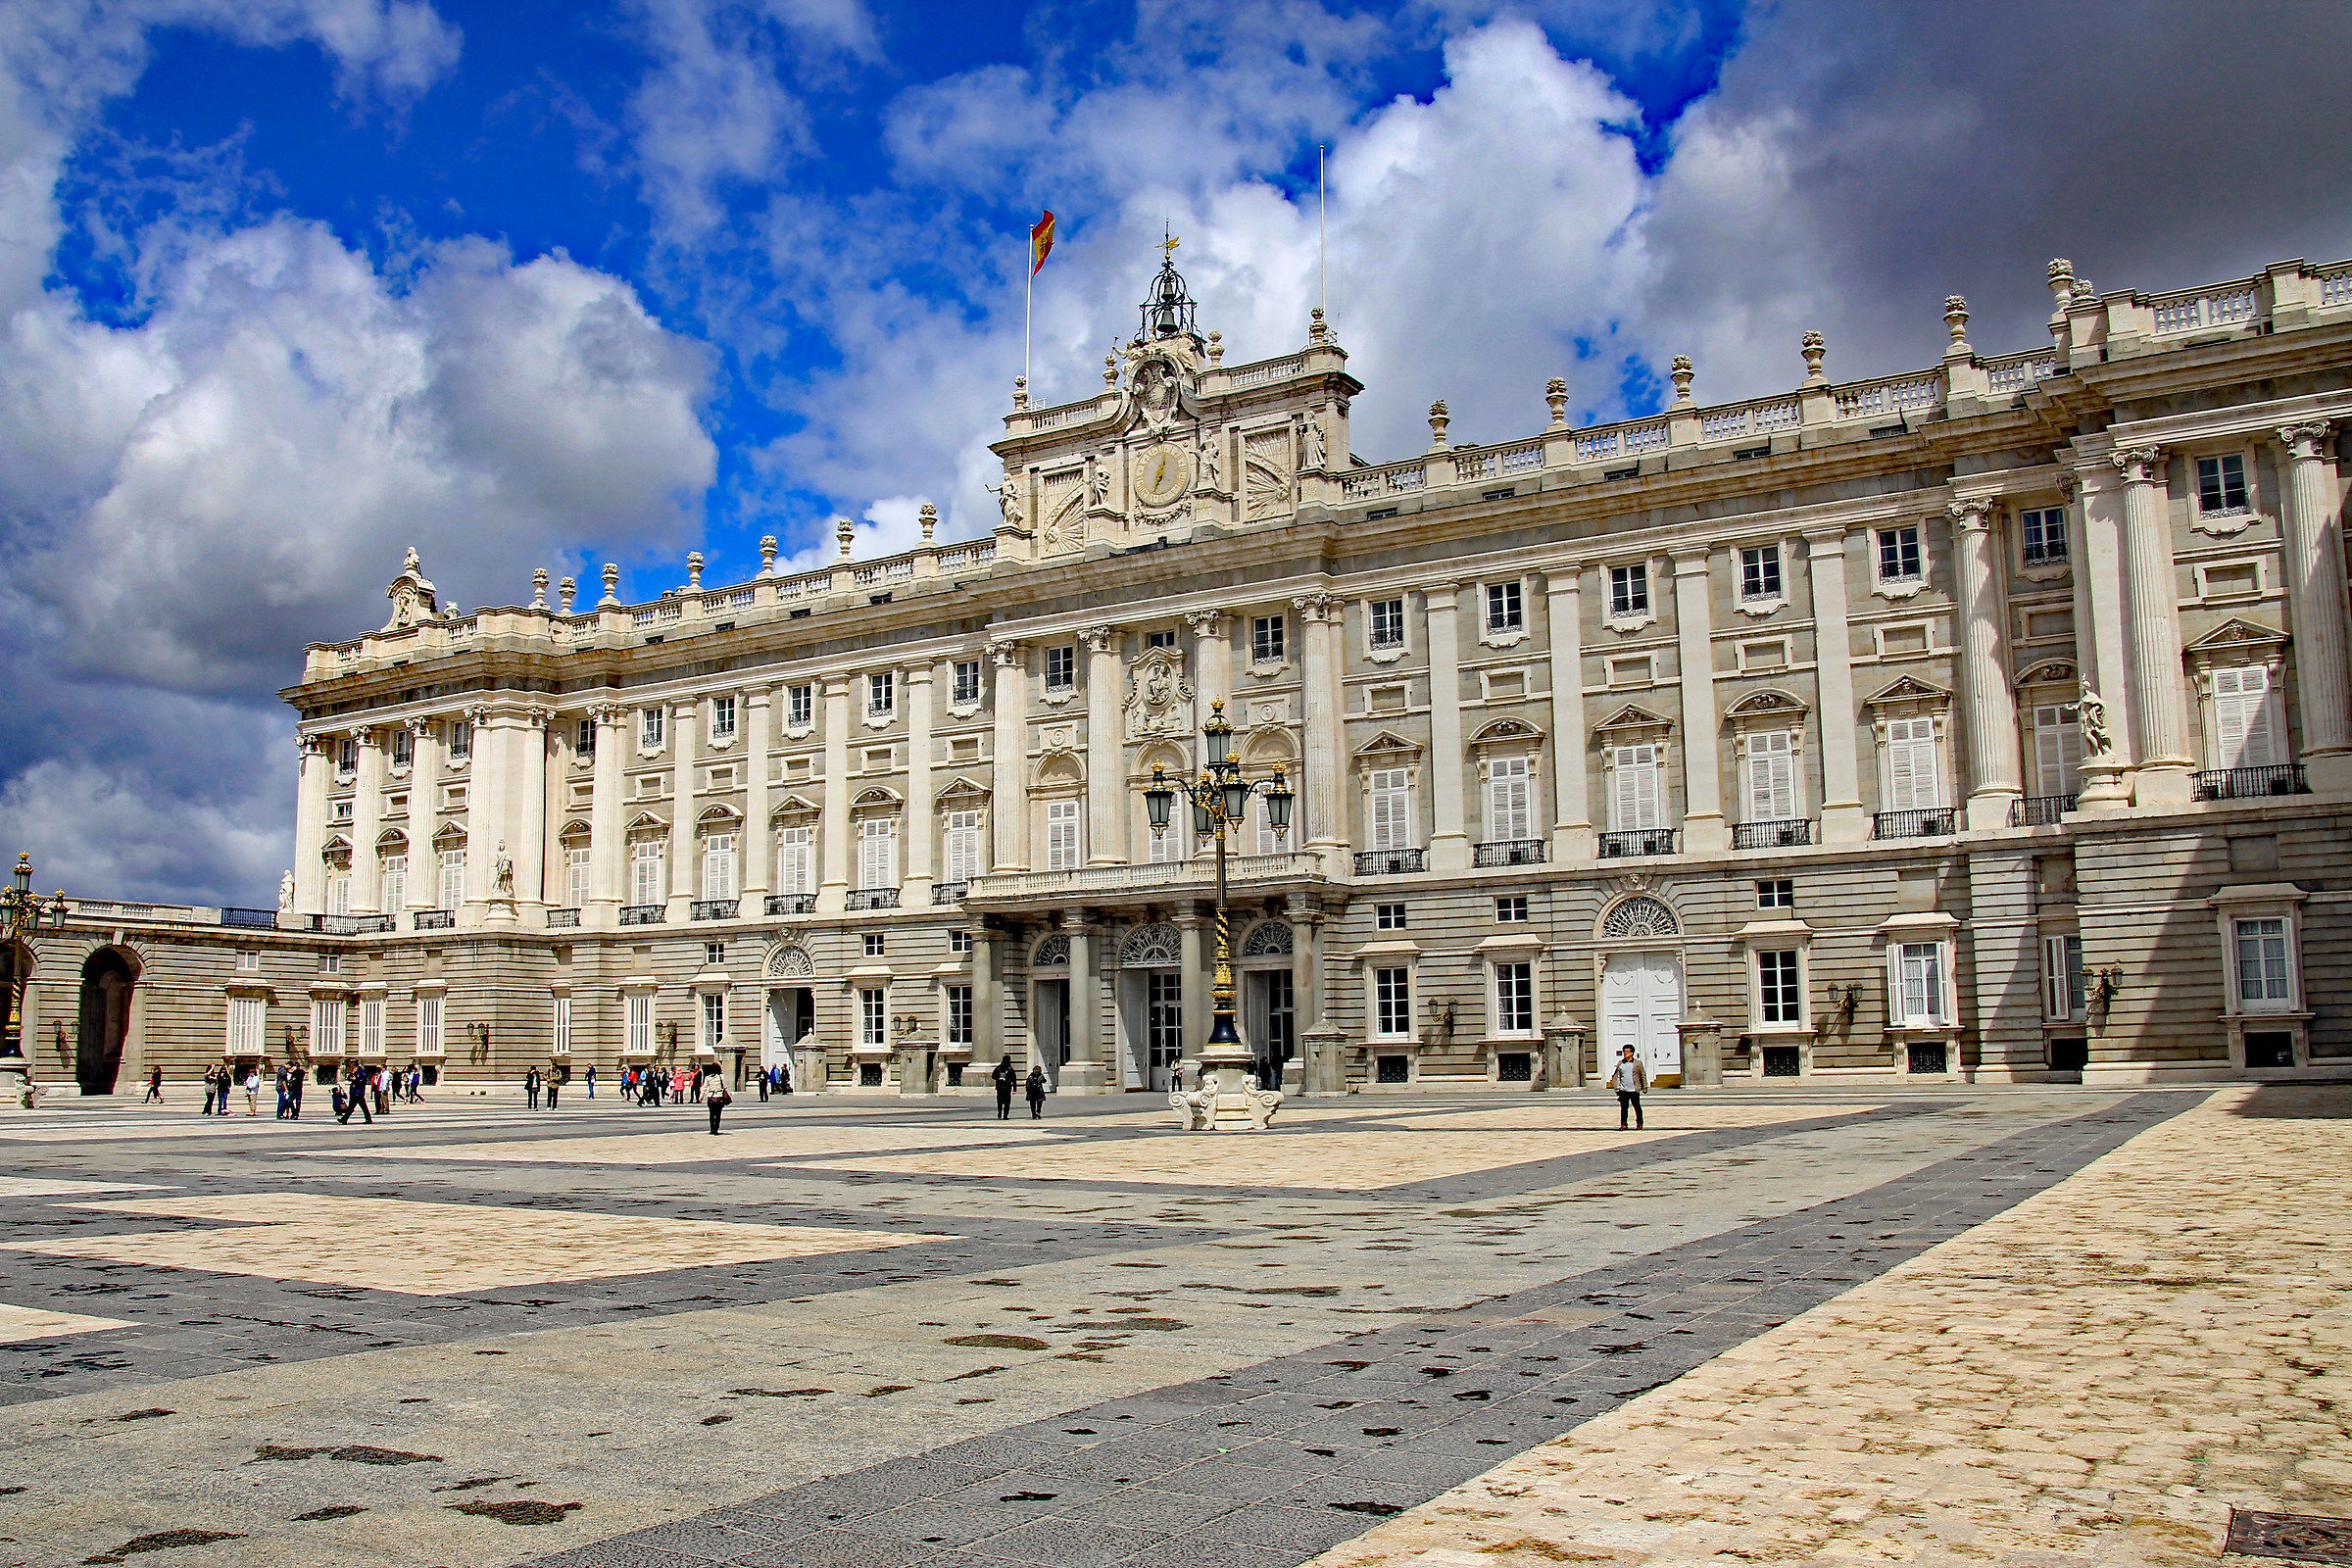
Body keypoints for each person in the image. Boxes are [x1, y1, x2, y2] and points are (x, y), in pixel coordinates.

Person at [1610, 1046, 1647, 1130]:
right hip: (1623, 1090)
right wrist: (1616, 1087)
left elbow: (1642, 1075)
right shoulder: (1621, 1063)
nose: (1625, 1053)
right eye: (1624, 1051)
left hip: (1634, 1089)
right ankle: (1623, 1124)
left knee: (1637, 1107)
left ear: (1631, 1053)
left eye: (1627, 1051)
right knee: (1624, 1108)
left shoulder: (1638, 1063)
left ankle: (1639, 1123)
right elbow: (1616, 1076)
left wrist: (1644, 1087)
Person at [703, 1064, 730, 1135]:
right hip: (719, 1097)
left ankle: (712, 1128)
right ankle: (716, 1128)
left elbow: (704, 1088)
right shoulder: (721, 1077)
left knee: (711, 1114)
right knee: (718, 1114)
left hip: (711, 1097)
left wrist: (701, 1097)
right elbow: (725, 1086)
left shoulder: (708, 1078)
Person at [992, 1055, 1016, 1120]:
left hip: (1004, 1088)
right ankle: (1001, 1113)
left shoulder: (1009, 1069)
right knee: (1003, 1103)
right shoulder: (999, 1068)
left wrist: (1014, 1089)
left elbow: (1014, 1079)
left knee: (1003, 1102)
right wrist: (999, 1079)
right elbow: (993, 1076)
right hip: (1002, 1088)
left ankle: (1003, 1114)